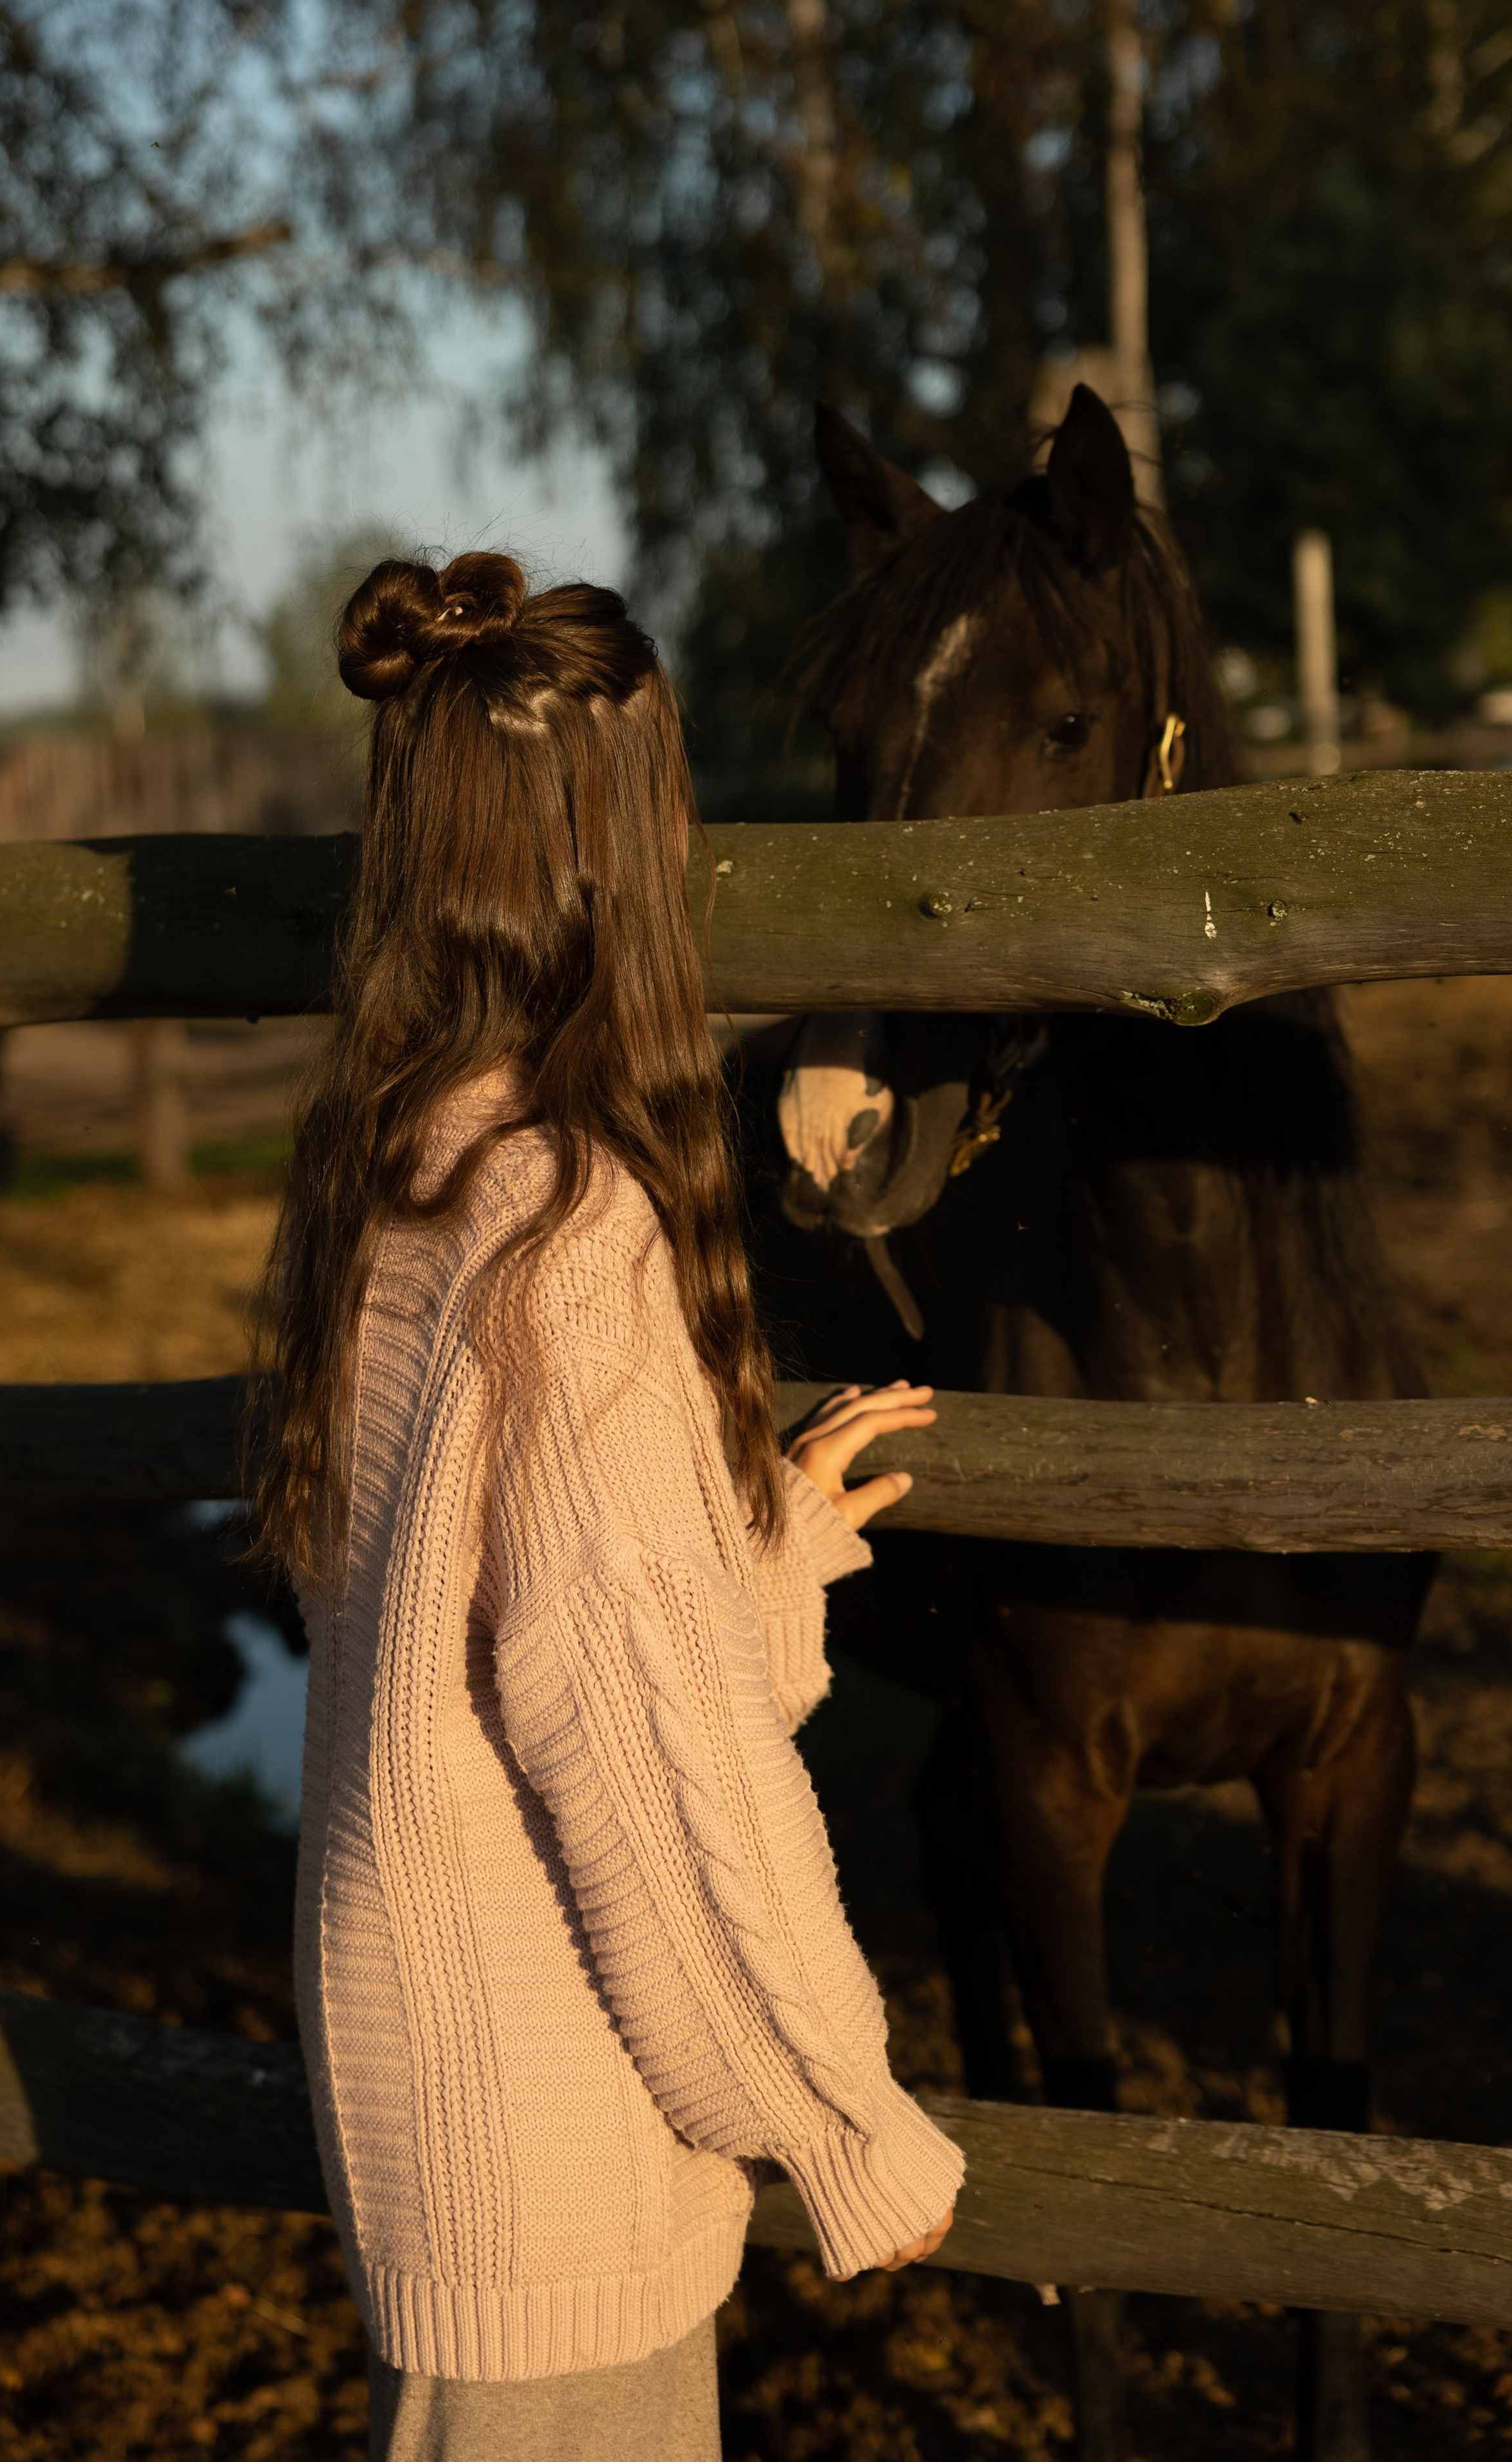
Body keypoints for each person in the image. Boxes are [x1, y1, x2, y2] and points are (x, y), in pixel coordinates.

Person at [252, 551, 963, 2462]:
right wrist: (841, 2115)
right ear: (625, 852)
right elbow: (642, 1753)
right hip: (551, 2146)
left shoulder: (402, 1172)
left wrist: (753, 1556)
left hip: (440, 2103)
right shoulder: (574, 1231)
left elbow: (507, 1650)